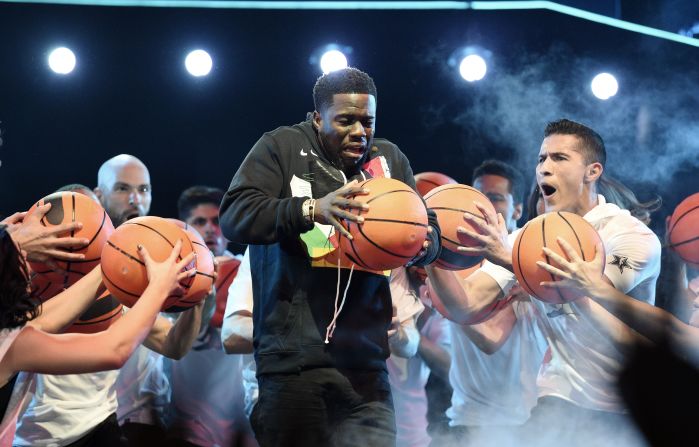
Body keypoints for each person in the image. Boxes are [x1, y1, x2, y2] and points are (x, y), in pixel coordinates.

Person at [219, 67, 440, 446]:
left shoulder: (390, 160)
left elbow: (428, 225)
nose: (360, 131)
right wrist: (310, 209)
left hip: (367, 367)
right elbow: (235, 215)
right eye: (346, 120)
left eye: (367, 121)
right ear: (318, 117)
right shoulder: (281, 147)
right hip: (292, 365)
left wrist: (425, 245)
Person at [427, 119, 661, 446]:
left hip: (624, 407)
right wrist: (431, 253)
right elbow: (465, 304)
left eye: (559, 158)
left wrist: (508, 257)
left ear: (592, 171)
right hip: (557, 397)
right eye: (541, 159)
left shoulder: (629, 236)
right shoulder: (527, 236)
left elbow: (588, 289)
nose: (544, 169)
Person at [15, 156, 204, 447]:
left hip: (99, 425)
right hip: (32, 434)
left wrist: (197, 294)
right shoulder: (28, 279)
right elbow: (42, 328)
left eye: (144, 189)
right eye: (74, 221)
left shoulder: (122, 281)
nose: (83, 229)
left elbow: (173, 345)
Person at [0, 221, 194, 445]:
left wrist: (115, 255)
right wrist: (159, 286)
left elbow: (44, 320)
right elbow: (114, 349)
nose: (28, 262)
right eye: (19, 258)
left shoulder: (12, 336)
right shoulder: (14, 345)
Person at [434, 161, 547, 446]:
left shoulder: (529, 257)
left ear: (518, 209)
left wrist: (444, 300)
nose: (484, 208)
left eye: (495, 198)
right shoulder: (454, 262)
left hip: (520, 420)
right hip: (466, 417)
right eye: (479, 197)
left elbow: (490, 338)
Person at [165, 186, 253, 447]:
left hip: (240, 407)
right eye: (199, 222)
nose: (209, 229)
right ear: (186, 228)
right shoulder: (170, 277)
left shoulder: (246, 273)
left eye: (217, 221)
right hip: (189, 410)